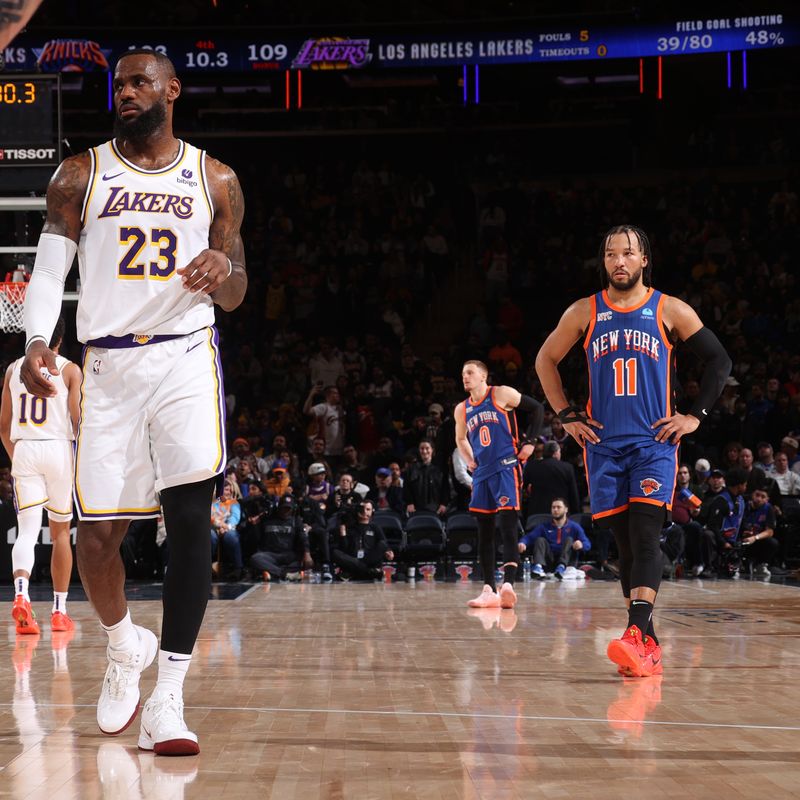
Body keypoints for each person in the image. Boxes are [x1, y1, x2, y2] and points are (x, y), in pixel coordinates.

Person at [20, 50, 247, 755]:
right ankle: (123, 645)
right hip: (109, 363)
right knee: (95, 541)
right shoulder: (79, 174)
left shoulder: (216, 178)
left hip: (184, 354)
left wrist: (224, 270)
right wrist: (34, 341)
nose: (125, 92)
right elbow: (51, 265)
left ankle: (169, 700)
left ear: (172, 91)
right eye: (118, 83)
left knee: (189, 522)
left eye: (139, 81)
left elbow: (238, 288)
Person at [535, 225, 730, 677]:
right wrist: (565, 414)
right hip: (602, 447)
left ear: (645, 260)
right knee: (624, 547)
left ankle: (634, 634)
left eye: (628, 253)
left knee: (645, 538)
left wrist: (695, 415)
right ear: (603, 262)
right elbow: (545, 360)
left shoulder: (670, 309)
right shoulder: (585, 312)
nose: (618, 261)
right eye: (610, 254)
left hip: (653, 443)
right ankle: (648, 644)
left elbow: (720, 361)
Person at [0, 318, 81, 635]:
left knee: (27, 530)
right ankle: (59, 612)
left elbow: (4, 426)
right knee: (61, 532)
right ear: (61, 338)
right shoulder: (71, 369)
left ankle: (21, 594)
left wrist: (16, 457)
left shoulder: (13, 370)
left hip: (25, 449)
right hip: (59, 450)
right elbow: (77, 423)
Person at [454, 360, 536, 609]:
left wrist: (530, 442)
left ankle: (509, 584)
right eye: (463, 373)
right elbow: (460, 438)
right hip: (482, 474)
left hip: (506, 467)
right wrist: (469, 459)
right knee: (484, 531)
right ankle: (489, 588)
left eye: (470, 372)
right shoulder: (462, 409)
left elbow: (537, 409)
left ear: (483, 376)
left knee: (508, 526)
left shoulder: (500, 393)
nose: (465, 377)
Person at [519, 498, 591, 579]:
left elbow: (587, 544)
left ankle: (561, 567)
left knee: (570, 540)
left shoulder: (574, 527)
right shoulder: (544, 526)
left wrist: (581, 544)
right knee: (540, 540)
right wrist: (522, 543)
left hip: (567, 563)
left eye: (558, 507)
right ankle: (538, 567)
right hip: (549, 561)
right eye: (553, 507)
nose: (555, 510)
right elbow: (529, 537)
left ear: (566, 509)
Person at [249, 494, 313, 582]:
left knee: (301, 562)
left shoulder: (296, 521)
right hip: (270, 554)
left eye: (288, 508)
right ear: (279, 507)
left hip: (288, 555)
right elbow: (256, 537)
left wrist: (307, 553)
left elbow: (303, 538)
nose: (286, 511)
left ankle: (271, 573)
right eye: (284, 508)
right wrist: (254, 525)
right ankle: (285, 574)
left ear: (293, 509)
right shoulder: (267, 518)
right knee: (255, 559)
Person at [331, 499, 394, 581]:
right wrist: (343, 534)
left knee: (382, 544)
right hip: (353, 557)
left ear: (372, 512)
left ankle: (355, 572)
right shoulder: (350, 526)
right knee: (335, 552)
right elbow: (344, 549)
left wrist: (389, 551)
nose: (365, 512)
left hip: (369, 557)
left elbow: (384, 543)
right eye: (362, 509)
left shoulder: (375, 527)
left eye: (368, 509)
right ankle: (368, 572)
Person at [522, 440, 580, 517]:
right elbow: (573, 494)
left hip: (537, 513)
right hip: (560, 512)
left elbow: (522, 487)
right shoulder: (567, 468)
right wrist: (575, 513)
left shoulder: (531, 467)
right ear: (556, 452)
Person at [209, 480, 242, 581]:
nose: (230, 492)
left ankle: (238, 568)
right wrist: (219, 525)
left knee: (231, 537)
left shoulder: (233, 502)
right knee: (210, 536)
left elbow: (235, 517)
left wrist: (226, 527)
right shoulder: (212, 502)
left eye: (230, 490)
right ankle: (207, 567)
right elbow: (209, 516)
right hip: (213, 528)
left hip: (227, 529)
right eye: (227, 490)